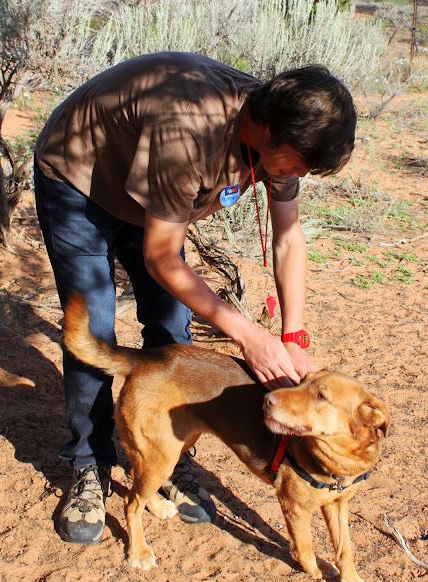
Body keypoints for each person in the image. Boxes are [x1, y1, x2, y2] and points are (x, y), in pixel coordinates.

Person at [34, 51, 356, 545]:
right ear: (268, 129)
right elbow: (162, 257)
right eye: (299, 163)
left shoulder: (289, 138)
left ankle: (169, 453)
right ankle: (89, 464)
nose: (301, 176)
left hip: (155, 194)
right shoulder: (189, 131)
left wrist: (291, 334)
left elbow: (288, 237)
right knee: (95, 331)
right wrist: (248, 335)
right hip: (83, 179)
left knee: (172, 328)